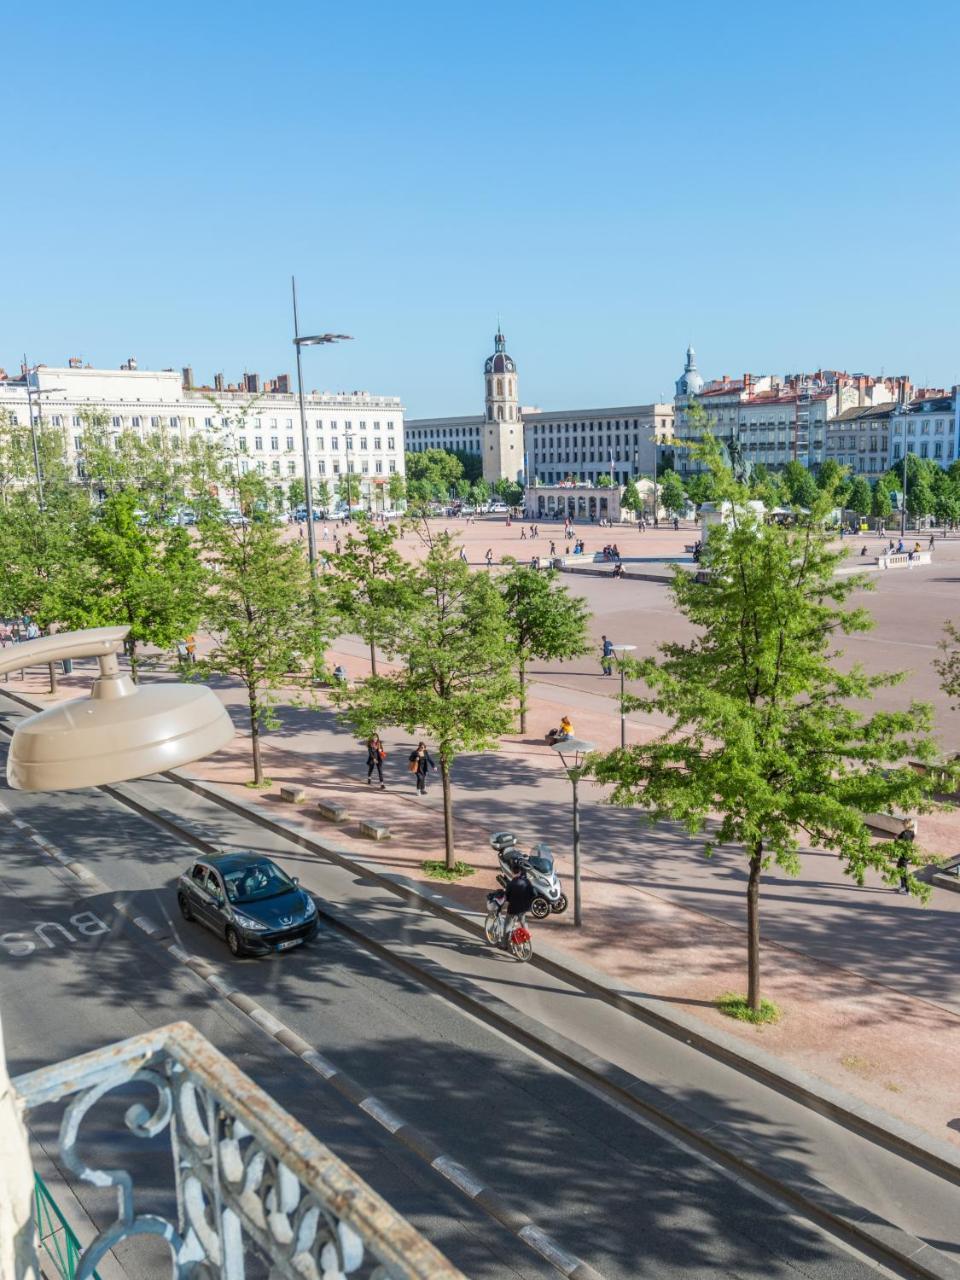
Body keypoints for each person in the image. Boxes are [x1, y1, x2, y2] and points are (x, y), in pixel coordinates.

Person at [500, 865, 536, 944]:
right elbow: (533, 894)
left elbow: (507, 898)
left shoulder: (511, 884)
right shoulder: (527, 881)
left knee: (507, 925)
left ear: (512, 872)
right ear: (520, 872)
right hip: (524, 907)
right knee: (523, 922)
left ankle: (504, 944)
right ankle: (527, 938)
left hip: (513, 909)